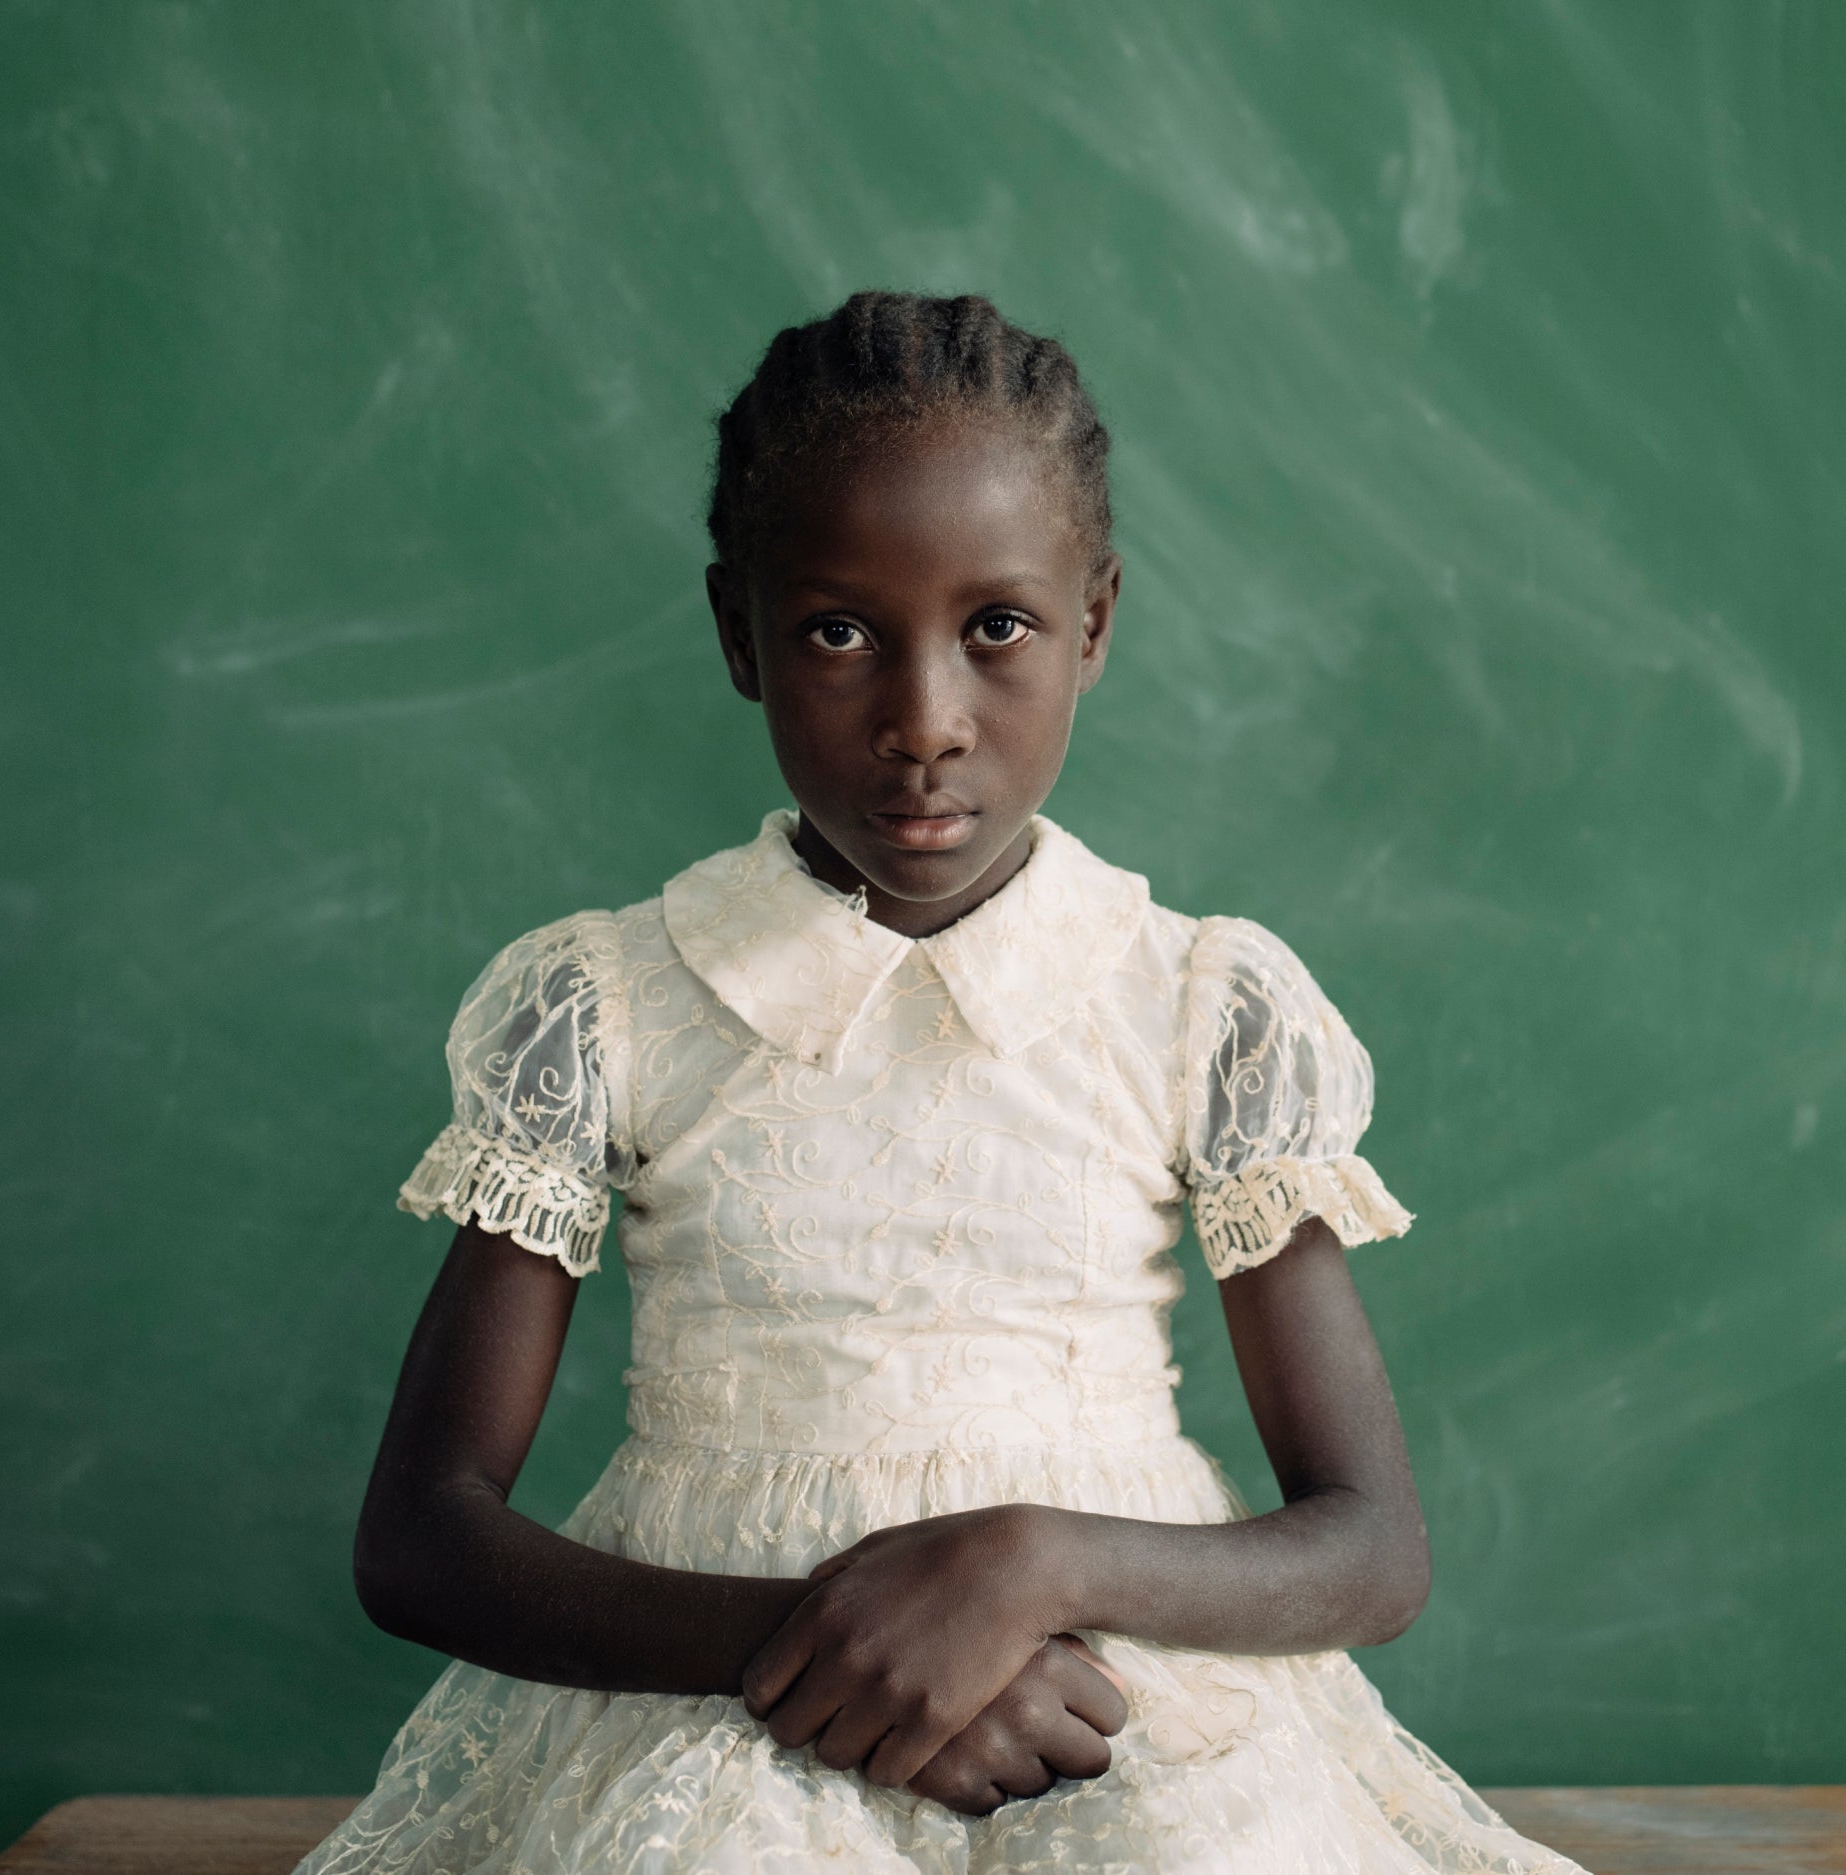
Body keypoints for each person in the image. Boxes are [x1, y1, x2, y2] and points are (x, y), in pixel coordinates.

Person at [301, 292, 1579, 1873]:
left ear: (1094, 625)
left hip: (1124, 1701)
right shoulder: (608, 1003)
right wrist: (844, 1655)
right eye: (839, 632)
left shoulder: (1200, 1005)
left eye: (999, 628)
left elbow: (1372, 1553)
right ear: (739, 635)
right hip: (711, 1713)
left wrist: (1027, 1570)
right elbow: (420, 1538)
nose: (924, 724)